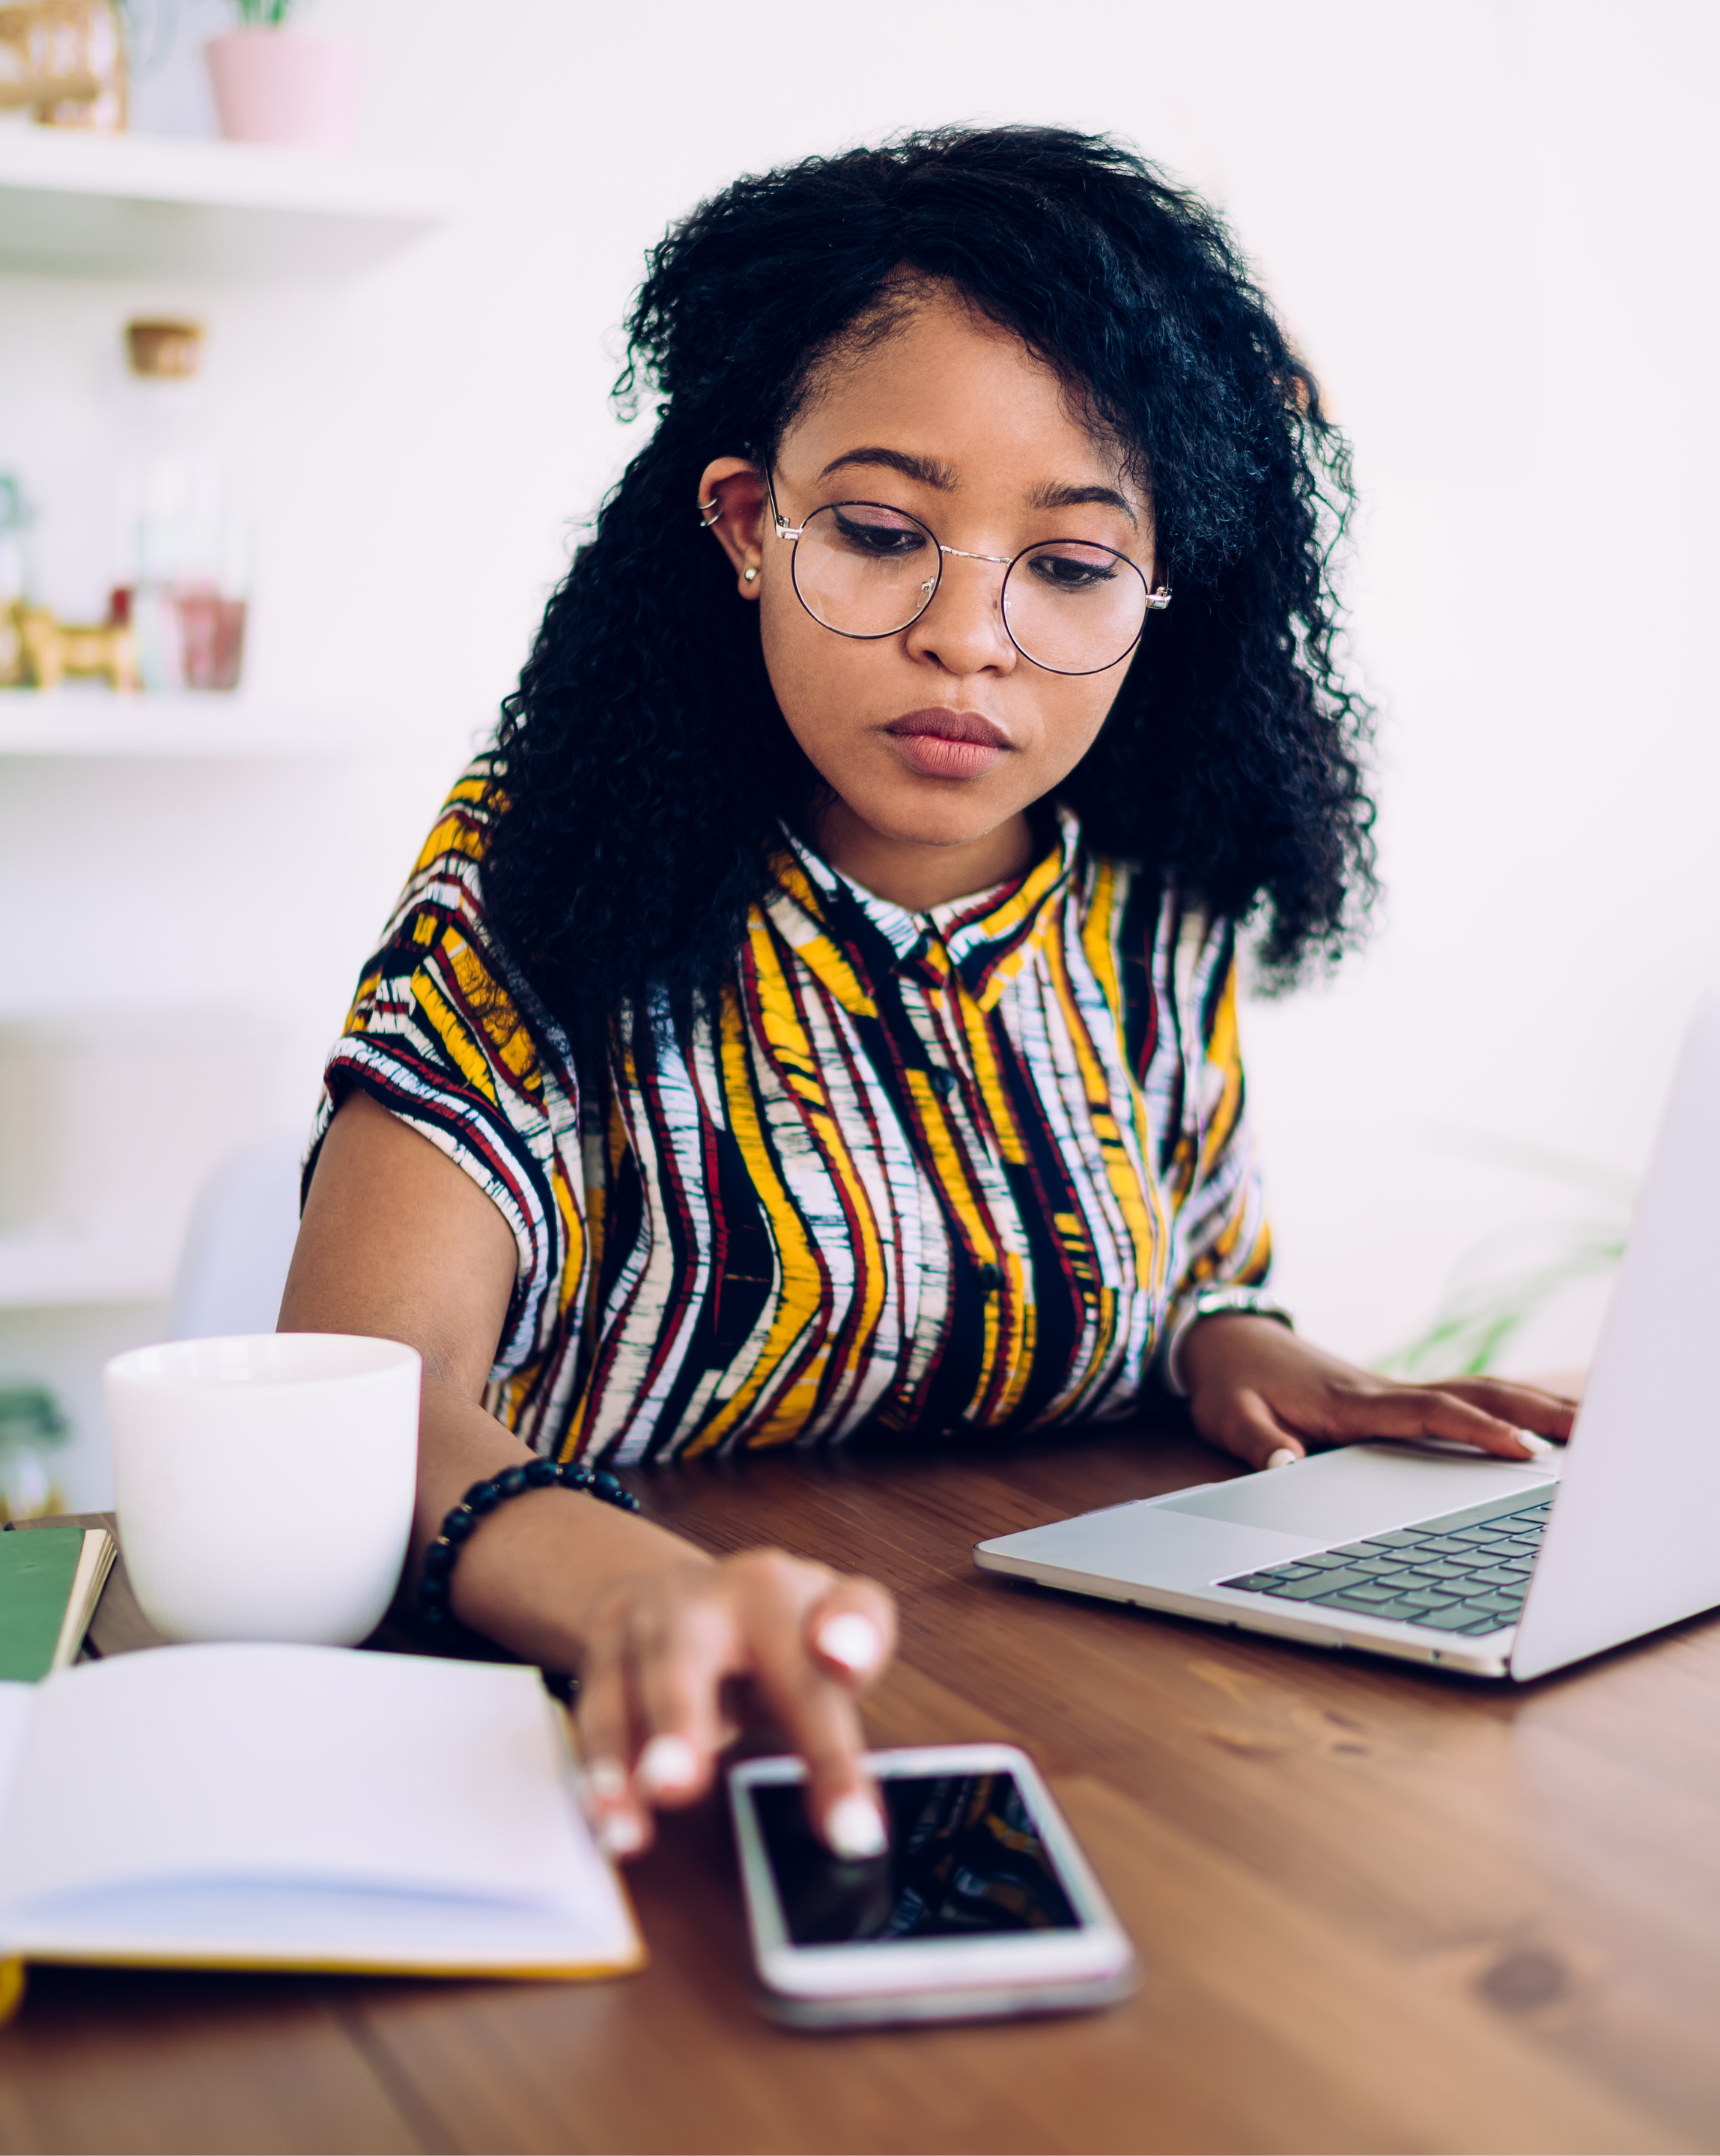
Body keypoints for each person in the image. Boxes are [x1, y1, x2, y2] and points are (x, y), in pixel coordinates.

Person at [281, 127, 1575, 1867]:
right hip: (596, 1751)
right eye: (887, 533)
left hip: (1056, 1725)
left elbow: (1176, 1265)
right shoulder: (547, 872)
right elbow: (358, 1389)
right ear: (749, 525)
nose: (972, 636)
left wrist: (1233, 1346)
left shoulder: (1143, 898)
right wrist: (632, 1590)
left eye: (1068, 564)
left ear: (1157, 592)